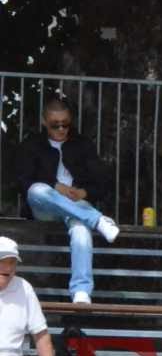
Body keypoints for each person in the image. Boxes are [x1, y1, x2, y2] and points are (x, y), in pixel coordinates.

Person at [14, 96, 119, 304]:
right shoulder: (32, 144)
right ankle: (97, 220)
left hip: (76, 206)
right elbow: (22, 182)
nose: (61, 129)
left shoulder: (82, 144)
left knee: (81, 230)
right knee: (37, 190)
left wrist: (84, 193)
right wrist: (55, 186)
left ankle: (81, 291)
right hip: (46, 206)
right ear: (45, 122)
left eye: (66, 124)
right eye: (55, 125)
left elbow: (102, 182)